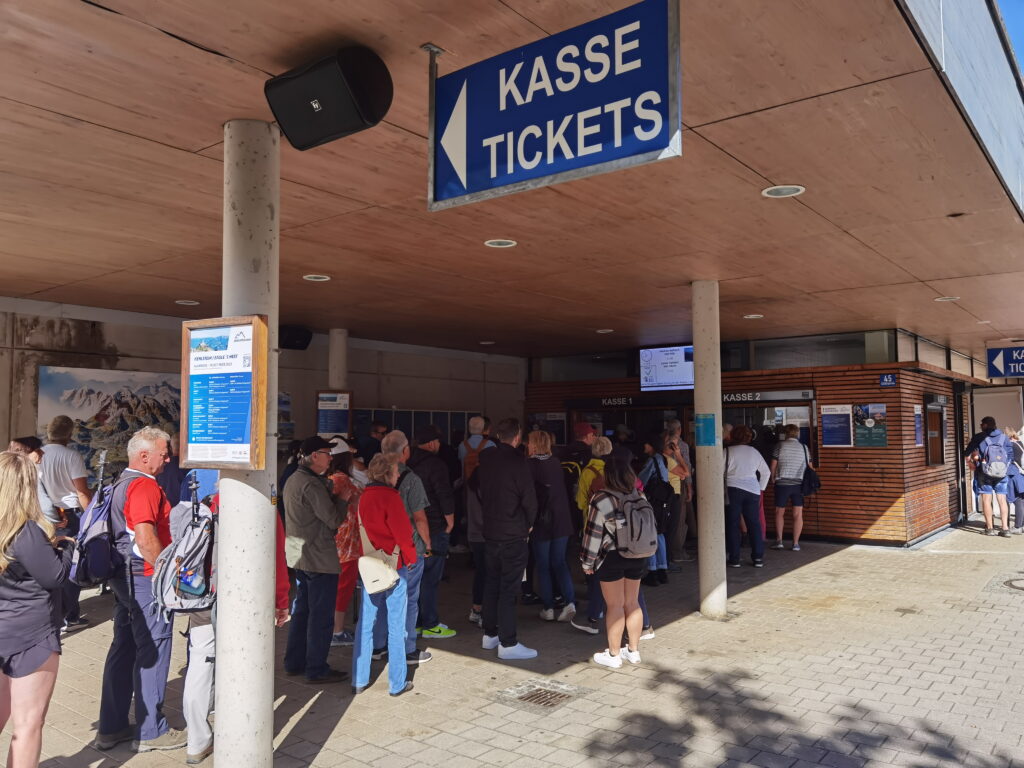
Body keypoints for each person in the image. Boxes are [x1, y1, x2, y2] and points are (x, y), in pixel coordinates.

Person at [96, 426, 185, 752]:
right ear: (144, 456)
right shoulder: (145, 487)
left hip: (123, 577)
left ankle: (111, 727)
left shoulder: (119, 483)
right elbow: (146, 538)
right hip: (146, 577)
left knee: (124, 648)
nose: (168, 459)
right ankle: (151, 731)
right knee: (154, 649)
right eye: (163, 453)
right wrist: (168, 576)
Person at [0, 450, 75, 768]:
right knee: (28, 726)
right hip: (31, 636)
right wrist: (68, 547)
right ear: (25, 486)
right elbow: (55, 576)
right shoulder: (25, 532)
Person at [283, 436, 350, 683]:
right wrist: (343, 498)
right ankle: (316, 668)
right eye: (326, 453)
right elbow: (332, 519)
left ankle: (294, 662)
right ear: (314, 457)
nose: (331, 457)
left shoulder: (294, 478)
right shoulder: (310, 484)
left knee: (302, 611)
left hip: (300, 555)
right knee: (321, 616)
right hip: (317, 557)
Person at [352, 453, 416, 697]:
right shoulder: (391, 498)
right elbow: (403, 535)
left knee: (366, 624)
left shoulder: (363, 497)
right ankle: (397, 683)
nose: (399, 475)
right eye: (396, 471)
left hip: (369, 566)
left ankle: (359, 679)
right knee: (396, 625)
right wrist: (410, 559)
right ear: (388, 474)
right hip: (393, 565)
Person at [476, 418, 538, 660]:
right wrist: (529, 525)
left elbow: (476, 488)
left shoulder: (485, 458)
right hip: (513, 533)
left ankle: (490, 634)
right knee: (509, 589)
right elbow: (529, 499)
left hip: (490, 530)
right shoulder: (518, 462)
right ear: (517, 437)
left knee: (491, 583)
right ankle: (508, 643)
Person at [372, 431, 433, 665]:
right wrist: (426, 544)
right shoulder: (412, 479)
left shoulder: (372, 478)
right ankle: (407, 649)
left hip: (378, 549)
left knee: (380, 598)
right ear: (405, 451)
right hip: (406, 550)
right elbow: (419, 518)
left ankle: (378, 646)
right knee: (408, 599)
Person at [581, 455, 646, 669]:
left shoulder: (601, 499)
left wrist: (587, 562)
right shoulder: (639, 495)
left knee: (614, 605)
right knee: (632, 602)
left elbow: (593, 534)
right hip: (637, 554)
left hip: (612, 556)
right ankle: (634, 651)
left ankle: (614, 654)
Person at [39, 415, 93, 633]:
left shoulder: (38, 455)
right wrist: (91, 517)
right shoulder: (71, 456)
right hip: (68, 516)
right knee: (71, 566)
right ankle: (68, 617)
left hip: (44, 515)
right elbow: (81, 492)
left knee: (48, 566)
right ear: (69, 434)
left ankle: (54, 614)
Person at [408, 425, 457, 640]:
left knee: (415, 577)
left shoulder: (407, 462)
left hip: (411, 527)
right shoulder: (435, 464)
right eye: (437, 441)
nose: (439, 445)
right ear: (431, 443)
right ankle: (430, 624)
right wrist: (450, 520)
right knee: (431, 578)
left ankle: (416, 622)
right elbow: (443, 493)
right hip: (434, 525)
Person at [526, 430, 575, 623]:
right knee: (560, 562)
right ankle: (569, 602)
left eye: (530, 442)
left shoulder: (528, 465)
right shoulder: (556, 463)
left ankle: (548, 608)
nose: (527, 445)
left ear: (535, 444)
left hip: (541, 522)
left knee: (543, 566)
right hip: (562, 520)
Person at [327, 439, 364, 648]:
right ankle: (337, 631)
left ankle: (335, 629)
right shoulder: (340, 480)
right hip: (346, 544)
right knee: (342, 589)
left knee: (339, 588)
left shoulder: (331, 478)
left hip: (339, 543)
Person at [460, 416, 495, 626]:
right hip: (490, 531)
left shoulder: (461, 447)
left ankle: (477, 608)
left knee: (481, 569)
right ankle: (488, 612)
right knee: (491, 570)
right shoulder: (489, 445)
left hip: (473, 525)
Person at [725, 425, 770, 567]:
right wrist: (760, 488)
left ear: (733, 436)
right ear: (749, 437)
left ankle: (735, 558)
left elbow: (718, 471)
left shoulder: (727, 451)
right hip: (753, 491)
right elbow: (766, 472)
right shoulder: (754, 452)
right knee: (754, 523)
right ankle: (758, 558)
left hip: (733, 489)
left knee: (732, 524)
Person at [967, 418, 1013, 536]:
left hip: (984, 473)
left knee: (986, 500)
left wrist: (972, 462)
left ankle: (990, 528)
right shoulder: (1004, 437)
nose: (980, 426)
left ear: (986, 425)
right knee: (1002, 500)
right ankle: (1005, 529)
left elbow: (967, 453)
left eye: (981, 424)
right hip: (1002, 474)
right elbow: (1010, 456)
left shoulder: (979, 437)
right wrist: (1004, 469)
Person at [769, 424, 812, 551]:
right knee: (798, 514)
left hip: (782, 484)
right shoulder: (804, 448)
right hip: (799, 484)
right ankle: (796, 544)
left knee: (779, 512)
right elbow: (810, 466)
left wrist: (772, 478)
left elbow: (773, 464)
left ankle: (779, 541)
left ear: (786, 434)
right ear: (797, 433)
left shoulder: (779, 446)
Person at [638, 435, 671, 586]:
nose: (644, 446)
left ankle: (652, 571)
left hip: (652, 502)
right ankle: (662, 569)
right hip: (663, 501)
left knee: (650, 533)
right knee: (660, 534)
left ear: (651, 445)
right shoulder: (663, 459)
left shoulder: (652, 461)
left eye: (646, 443)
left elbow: (640, 481)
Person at [665, 420, 696, 562]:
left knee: (668, 518)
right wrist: (689, 487)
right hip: (678, 483)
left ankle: (669, 551)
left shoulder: (662, 443)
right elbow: (686, 468)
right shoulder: (681, 445)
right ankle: (677, 552)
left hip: (664, 484)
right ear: (679, 430)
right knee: (679, 519)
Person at [662, 434, 691, 566]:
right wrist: (679, 455)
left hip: (667, 495)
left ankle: (667, 559)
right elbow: (686, 472)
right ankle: (668, 559)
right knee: (672, 528)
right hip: (673, 496)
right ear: (672, 447)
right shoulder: (670, 461)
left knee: (668, 528)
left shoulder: (662, 459)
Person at [576, 436, 612, 527]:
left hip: (592, 522)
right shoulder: (613, 470)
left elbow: (581, 503)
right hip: (612, 522)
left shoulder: (587, 472)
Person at [155, 429, 188, 507]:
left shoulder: (160, 465)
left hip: (165, 510)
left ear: (171, 448)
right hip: (185, 510)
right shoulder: (190, 467)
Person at [1005, 427, 1024, 534]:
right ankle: (1022, 525)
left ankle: (1017, 526)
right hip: (1021, 474)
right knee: (1022, 500)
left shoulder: (1010, 445)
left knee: (1017, 500)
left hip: (1014, 474)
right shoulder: (1020, 443)